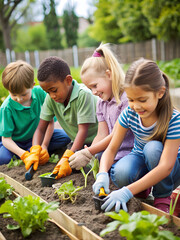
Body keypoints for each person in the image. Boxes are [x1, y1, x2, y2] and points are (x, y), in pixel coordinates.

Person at [92, 58, 180, 213]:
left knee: (152, 148)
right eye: (131, 99)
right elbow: (111, 149)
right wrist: (102, 173)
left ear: (160, 92)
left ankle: (162, 197)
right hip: (142, 157)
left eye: (142, 100)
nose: (136, 106)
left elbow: (166, 167)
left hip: (171, 170)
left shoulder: (174, 119)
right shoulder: (129, 113)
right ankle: (141, 190)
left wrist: (126, 191)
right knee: (120, 172)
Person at [69, 43, 134, 171]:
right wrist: (89, 155)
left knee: (122, 174)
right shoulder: (101, 103)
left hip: (129, 152)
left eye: (95, 86)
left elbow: (117, 134)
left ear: (109, 75)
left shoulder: (127, 99)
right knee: (95, 161)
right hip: (112, 151)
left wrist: (89, 152)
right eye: (89, 88)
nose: (93, 92)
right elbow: (102, 134)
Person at [32, 56, 98, 179]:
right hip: (78, 142)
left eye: (54, 90)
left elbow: (83, 131)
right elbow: (40, 128)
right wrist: (35, 149)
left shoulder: (84, 95)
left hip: (96, 141)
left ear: (68, 80)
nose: (52, 96)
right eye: (47, 92)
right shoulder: (51, 99)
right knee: (71, 167)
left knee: (88, 168)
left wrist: (68, 156)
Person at [0, 60, 71, 170]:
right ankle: (26, 154)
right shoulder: (6, 108)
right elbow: (6, 139)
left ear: (32, 85)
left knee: (65, 137)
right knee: (3, 158)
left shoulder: (41, 93)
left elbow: (50, 123)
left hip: (38, 138)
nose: (19, 99)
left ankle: (35, 152)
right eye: (14, 95)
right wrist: (24, 155)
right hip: (15, 142)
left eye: (24, 94)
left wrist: (44, 146)